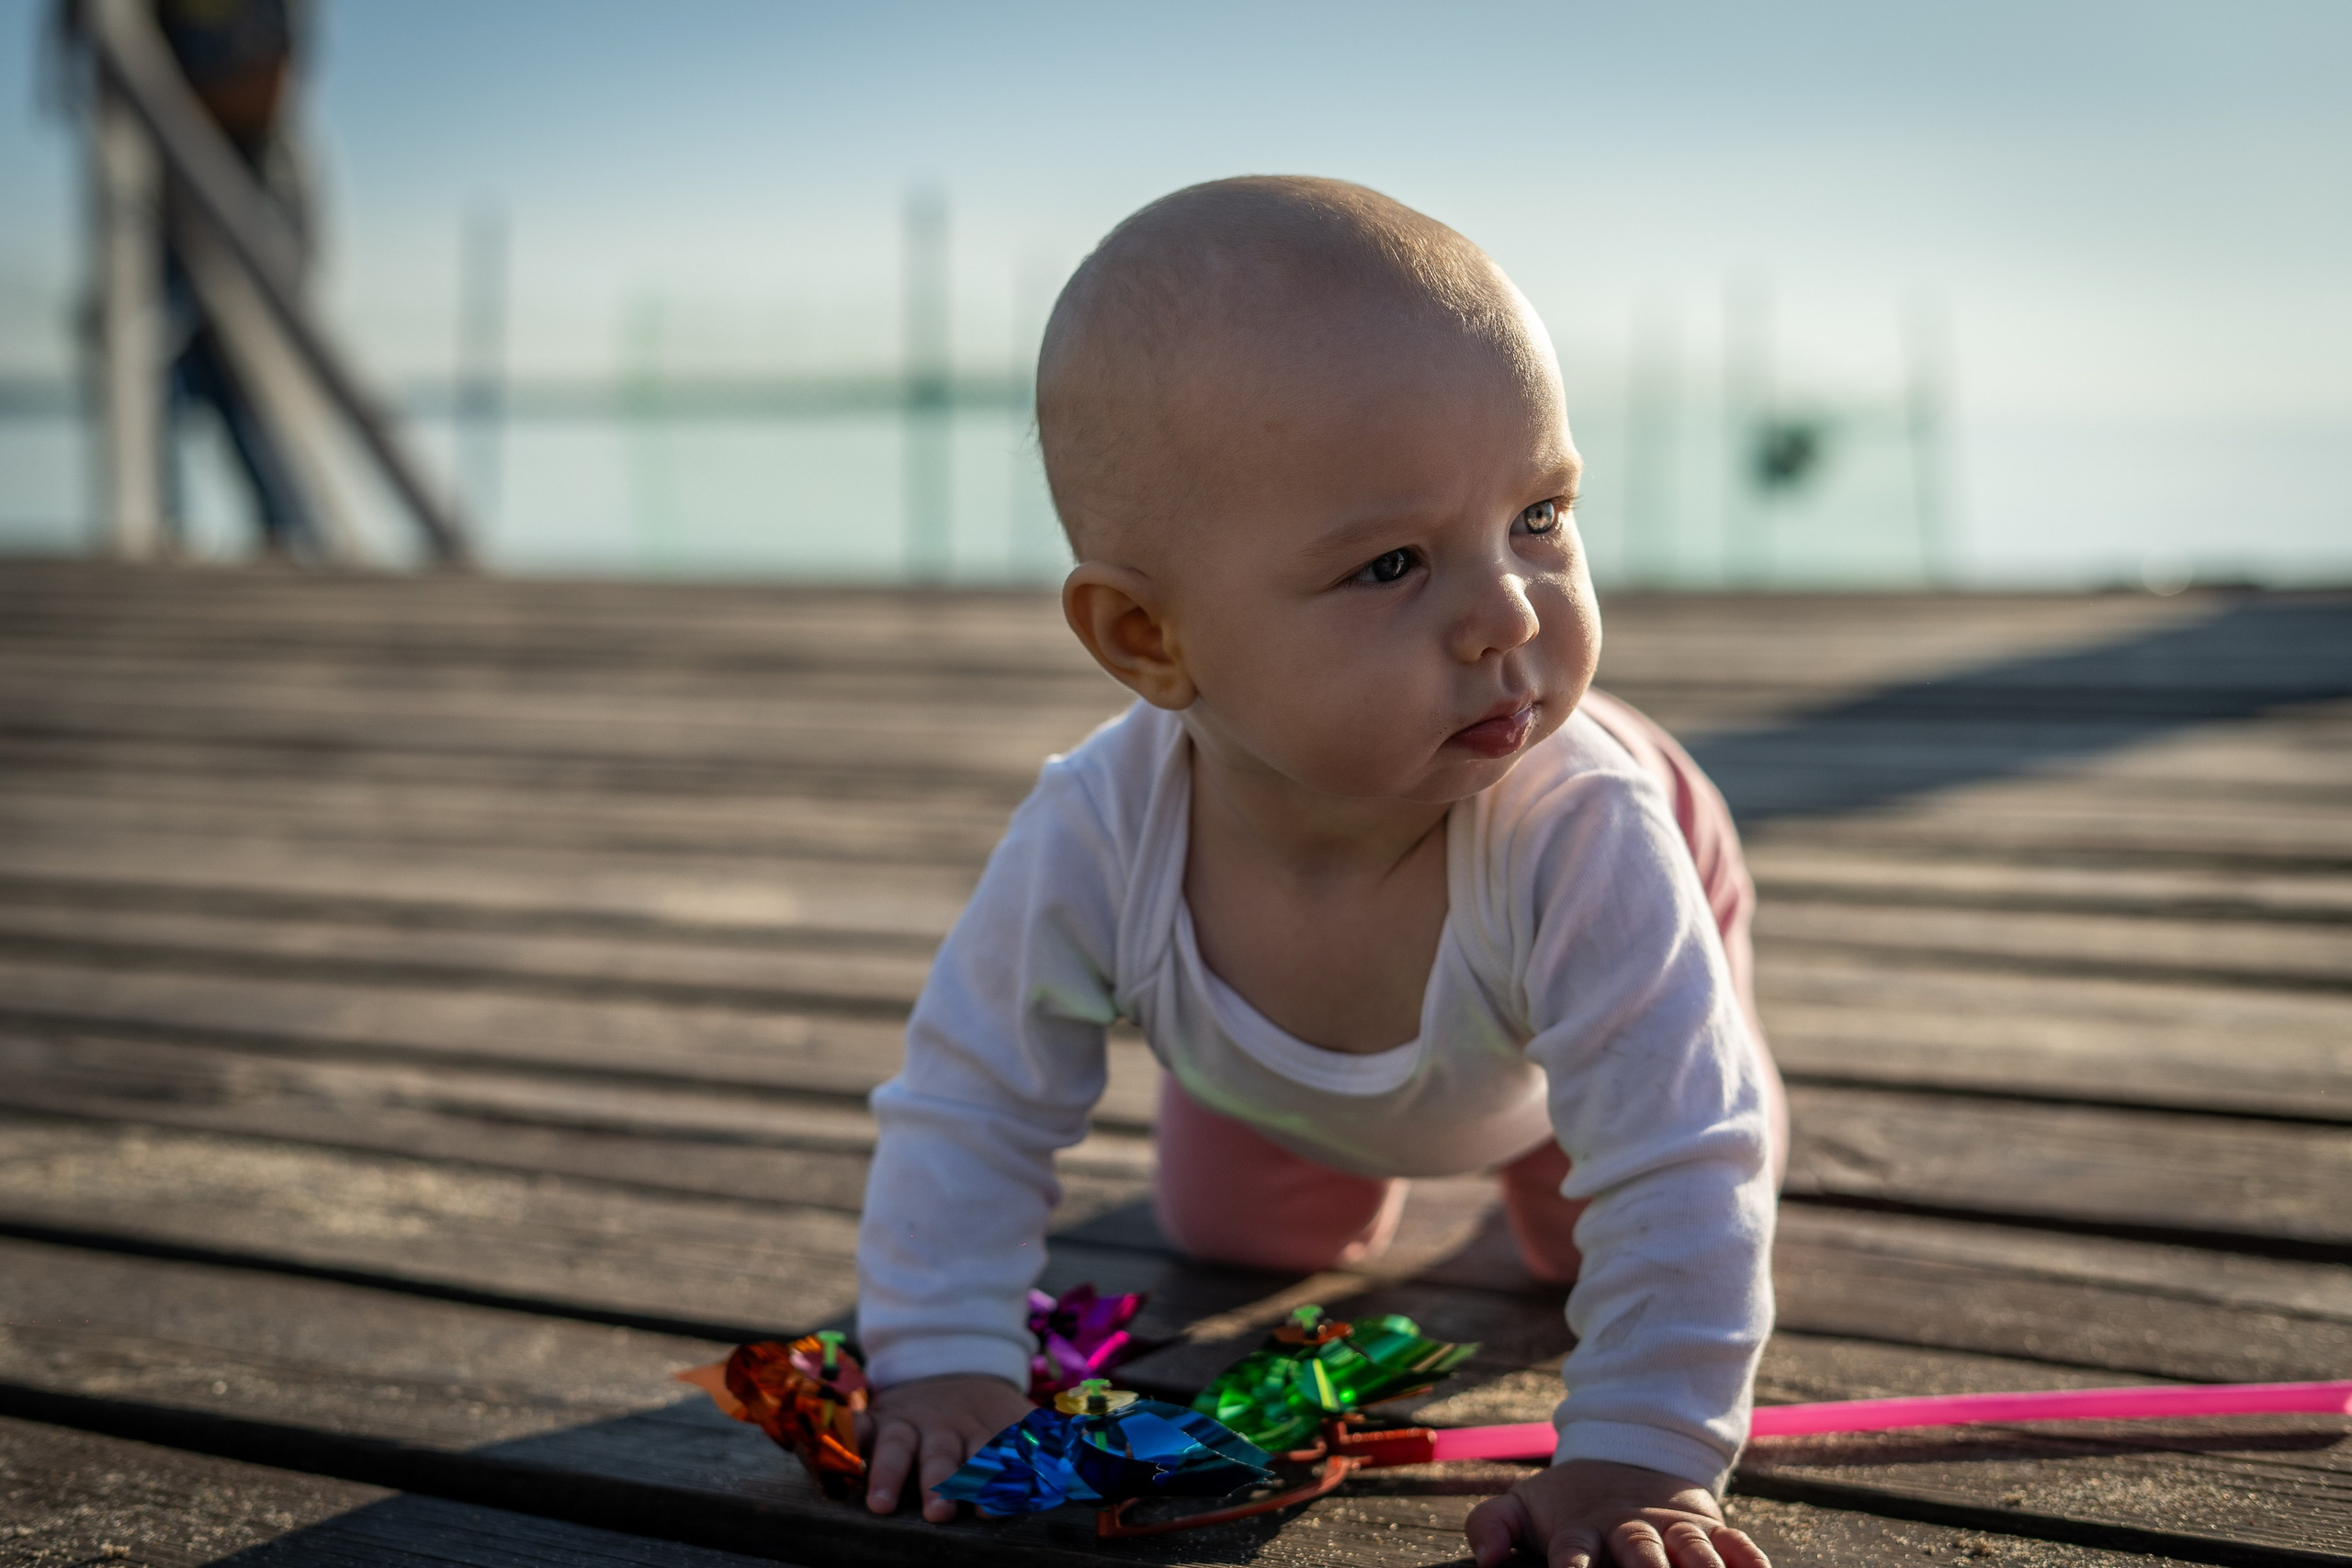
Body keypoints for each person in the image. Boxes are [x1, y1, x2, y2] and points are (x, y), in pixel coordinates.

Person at [854, 175, 1781, 1568]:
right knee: (1229, 1236)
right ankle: (1332, 1142)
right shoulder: (1098, 831)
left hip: (1582, 1015)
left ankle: (1553, 1150)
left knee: (1605, 1238)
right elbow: (970, 1098)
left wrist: (1644, 1452)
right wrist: (941, 1353)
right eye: (1393, 564)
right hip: (1270, 1076)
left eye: (1540, 513)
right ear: (1149, 638)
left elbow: (1686, 1160)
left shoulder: (1585, 830)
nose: (1508, 612)